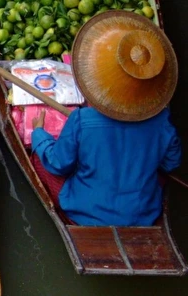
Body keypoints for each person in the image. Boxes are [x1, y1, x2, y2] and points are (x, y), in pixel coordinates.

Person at [30, 11, 181, 227]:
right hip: (143, 214)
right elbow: (170, 163)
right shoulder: (163, 124)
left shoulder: (82, 119)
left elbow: (58, 164)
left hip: (85, 212)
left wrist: (39, 134)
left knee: (39, 158)